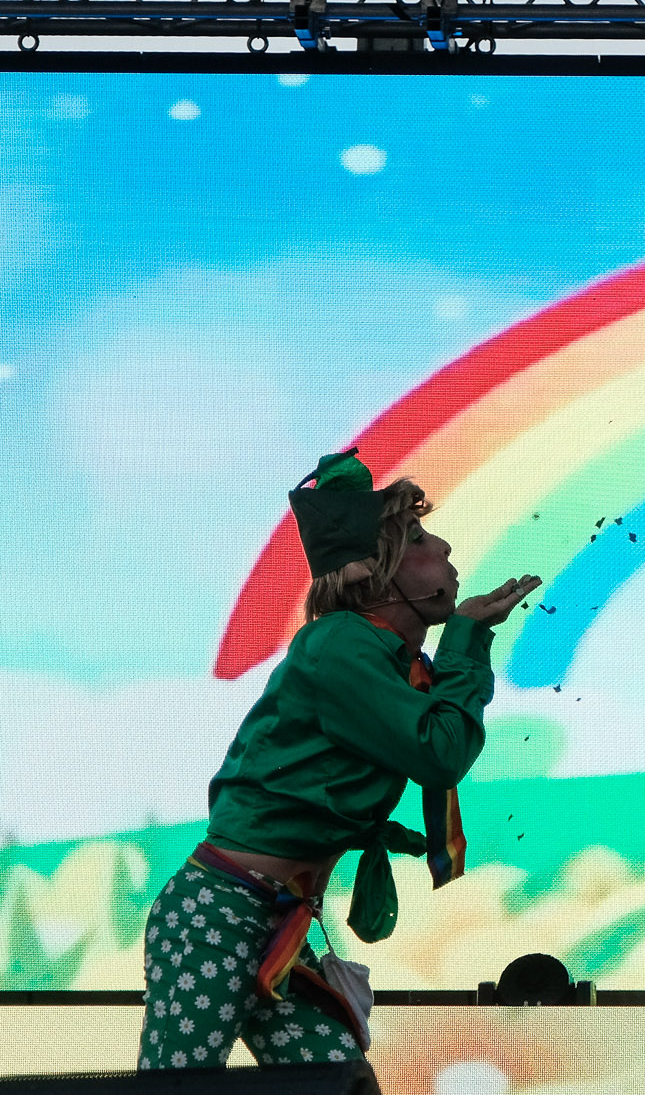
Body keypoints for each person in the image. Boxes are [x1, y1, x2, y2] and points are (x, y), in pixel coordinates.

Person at [136, 450, 541, 1069]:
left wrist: (370, 830)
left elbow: (322, 778)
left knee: (336, 1080)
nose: (446, 546)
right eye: (420, 537)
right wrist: (465, 642)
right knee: (175, 1091)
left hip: (274, 921)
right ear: (380, 571)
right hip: (220, 914)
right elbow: (440, 753)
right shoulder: (341, 643)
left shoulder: (383, 660)